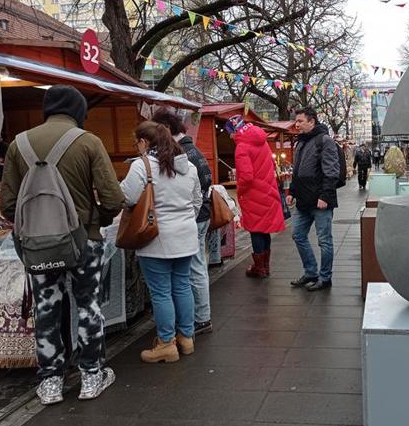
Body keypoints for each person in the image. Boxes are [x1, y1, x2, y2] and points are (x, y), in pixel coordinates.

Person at [0, 85, 123, 405]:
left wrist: (37, 226)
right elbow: (113, 198)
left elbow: (9, 206)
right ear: (78, 111)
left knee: (46, 308)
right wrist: (97, 220)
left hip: (38, 245)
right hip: (85, 242)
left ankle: (51, 382)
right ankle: (91, 376)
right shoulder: (89, 141)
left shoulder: (18, 144)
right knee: (88, 306)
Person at [120, 121, 202, 363]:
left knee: (161, 292)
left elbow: (127, 197)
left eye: (136, 143)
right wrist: (184, 220)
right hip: (186, 237)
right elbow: (197, 201)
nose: (137, 147)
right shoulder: (188, 166)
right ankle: (186, 338)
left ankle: (166, 343)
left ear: (144, 142)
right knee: (182, 286)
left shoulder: (142, 165)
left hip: (156, 239)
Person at [151, 109, 214, 335]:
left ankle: (201, 319)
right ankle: (197, 318)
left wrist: (188, 214)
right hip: (197, 216)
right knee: (193, 270)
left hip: (192, 218)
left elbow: (192, 192)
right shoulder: (192, 149)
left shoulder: (182, 152)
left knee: (192, 271)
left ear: (166, 129)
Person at [226, 115, 285, 278]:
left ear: (234, 130)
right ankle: (265, 265)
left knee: (256, 230)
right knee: (264, 230)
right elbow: (271, 164)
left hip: (253, 195)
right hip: (268, 191)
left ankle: (259, 268)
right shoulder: (262, 141)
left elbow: (246, 177)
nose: (229, 136)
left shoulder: (242, 147)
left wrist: (240, 191)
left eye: (229, 132)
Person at [287, 107, 339, 291]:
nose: (297, 124)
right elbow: (297, 172)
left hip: (320, 201)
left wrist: (325, 196)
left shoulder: (324, 141)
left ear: (312, 122)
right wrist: (292, 192)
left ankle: (325, 278)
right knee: (298, 235)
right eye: (296, 121)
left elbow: (332, 172)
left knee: (324, 241)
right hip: (303, 201)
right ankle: (310, 272)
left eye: (300, 121)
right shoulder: (301, 142)